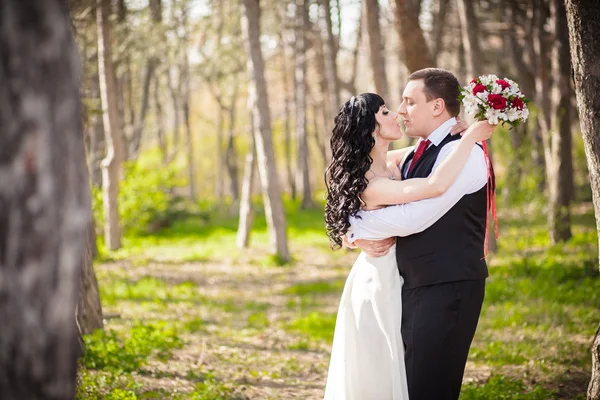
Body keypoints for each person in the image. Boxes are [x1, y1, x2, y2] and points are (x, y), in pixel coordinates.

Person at [323, 86, 495, 399]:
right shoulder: (370, 182)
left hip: (399, 276)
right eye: (386, 112)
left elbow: (427, 147)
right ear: (371, 128)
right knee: (378, 369)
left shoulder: (391, 162)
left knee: (398, 369)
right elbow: (434, 184)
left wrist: (455, 132)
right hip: (377, 282)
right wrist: (472, 137)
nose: (398, 114)